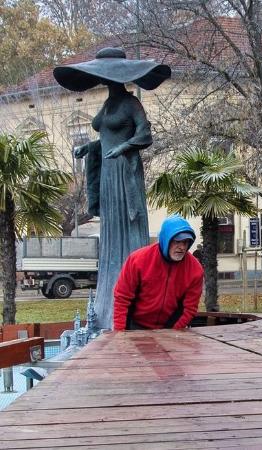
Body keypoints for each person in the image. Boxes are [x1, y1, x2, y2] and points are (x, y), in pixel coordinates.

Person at [53, 47, 171, 330]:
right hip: (107, 173)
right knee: (110, 229)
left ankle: (133, 297)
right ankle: (109, 295)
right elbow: (104, 136)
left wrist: (123, 148)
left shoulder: (131, 104)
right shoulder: (106, 106)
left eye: (109, 77)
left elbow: (145, 135)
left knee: (127, 227)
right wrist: (89, 147)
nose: (106, 81)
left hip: (124, 173)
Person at [112, 215, 204, 331]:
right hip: (134, 324)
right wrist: (120, 333)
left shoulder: (195, 269)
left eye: (186, 242)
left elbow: (189, 309)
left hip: (170, 327)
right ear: (166, 239)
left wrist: (172, 333)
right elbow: (122, 298)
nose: (182, 247)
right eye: (177, 241)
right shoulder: (138, 260)